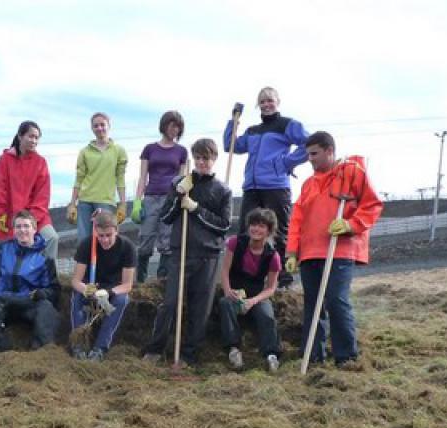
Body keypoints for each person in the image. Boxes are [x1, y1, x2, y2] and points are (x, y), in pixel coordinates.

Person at [285, 131, 383, 367]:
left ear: (329, 151)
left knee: (336, 300)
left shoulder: (352, 172)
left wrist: (351, 225)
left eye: (314, 154)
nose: (310, 159)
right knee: (312, 303)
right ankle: (313, 355)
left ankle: (346, 357)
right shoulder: (308, 184)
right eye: (308, 154)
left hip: (338, 250)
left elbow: (372, 205)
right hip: (309, 253)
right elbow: (297, 219)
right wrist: (293, 252)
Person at [142, 138, 231, 367]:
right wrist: (178, 196)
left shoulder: (223, 190)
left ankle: (189, 356)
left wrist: (196, 208)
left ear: (214, 159)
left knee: (200, 308)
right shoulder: (179, 184)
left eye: (206, 158)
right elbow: (166, 217)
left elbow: (223, 225)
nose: (202, 162)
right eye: (198, 158)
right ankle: (155, 349)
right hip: (181, 252)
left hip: (209, 255)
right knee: (170, 303)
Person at [223, 87, 309, 288]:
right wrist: (233, 122)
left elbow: (309, 144)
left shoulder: (287, 125)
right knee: (246, 232)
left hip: (276, 186)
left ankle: (283, 279)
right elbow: (231, 146)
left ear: (278, 102)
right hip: (252, 187)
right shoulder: (253, 131)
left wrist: (286, 163)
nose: (266, 104)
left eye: (270, 100)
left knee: (278, 232)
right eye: (262, 101)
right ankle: (243, 278)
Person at [0, 210, 60, 349]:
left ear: (34, 229)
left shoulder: (45, 257)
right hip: (3, 301)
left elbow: (54, 289)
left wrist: (42, 293)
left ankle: (42, 350)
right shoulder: (2, 249)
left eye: (26, 226)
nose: (22, 230)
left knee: (46, 308)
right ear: (13, 230)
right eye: (18, 226)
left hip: (27, 302)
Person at [218, 208, 282, 372]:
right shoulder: (235, 243)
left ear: (268, 231)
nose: (256, 229)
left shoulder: (273, 256)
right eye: (253, 224)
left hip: (257, 295)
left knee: (267, 315)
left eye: (261, 226)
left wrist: (254, 301)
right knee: (225, 304)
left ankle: (271, 354)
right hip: (235, 291)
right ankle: (233, 349)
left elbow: (271, 288)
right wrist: (228, 290)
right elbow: (224, 271)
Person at [69, 209, 136, 361]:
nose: (104, 240)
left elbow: (127, 285)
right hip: (90, 285)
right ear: (96, 232)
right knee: (77, 298)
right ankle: (78, 346)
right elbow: (75, 281)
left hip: (113, 288)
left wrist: (109, 293)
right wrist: (85, 289)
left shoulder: (127, 247)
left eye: (108, 235)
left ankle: (100, 348)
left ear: (116, 231)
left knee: (122, 300)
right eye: (100, 236)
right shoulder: (87, 245)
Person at [0, 121, 59, 261]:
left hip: (36, 217)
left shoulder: (41, 162)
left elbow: (43, 196)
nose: (34, 141)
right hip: (9, 217)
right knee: (0, 250)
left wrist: (30, 220)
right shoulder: (4, 160)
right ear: (20, 136)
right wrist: (1, 214)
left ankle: (50, 274)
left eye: (37, 138)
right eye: (31, 136)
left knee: (52, 237)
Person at [133, 111, 188, 282]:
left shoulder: (181, 151)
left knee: (167, 240)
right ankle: (140, 281)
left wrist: (180, 200)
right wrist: (137, 201)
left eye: (178, 127)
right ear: (164, 125)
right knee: (146, 238)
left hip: (170, 199)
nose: (175, 129)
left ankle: (162, 281)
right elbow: (143, 177)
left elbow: (182, 179)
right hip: (150, 198)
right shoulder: (149, 149)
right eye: (172, 125)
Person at [67, 113, 128, 243]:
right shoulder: (85, 152)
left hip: (106, 201)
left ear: (109, 126)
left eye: (102, 125)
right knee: (84, 240)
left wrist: (123, 204)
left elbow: (120, 178)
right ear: (92, 128)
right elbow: (79, 179)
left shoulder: (119, 151)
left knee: (105, 239)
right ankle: (84, 258)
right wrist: (72, 204)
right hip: (85, 201)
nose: (99, 128)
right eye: (96, 126)